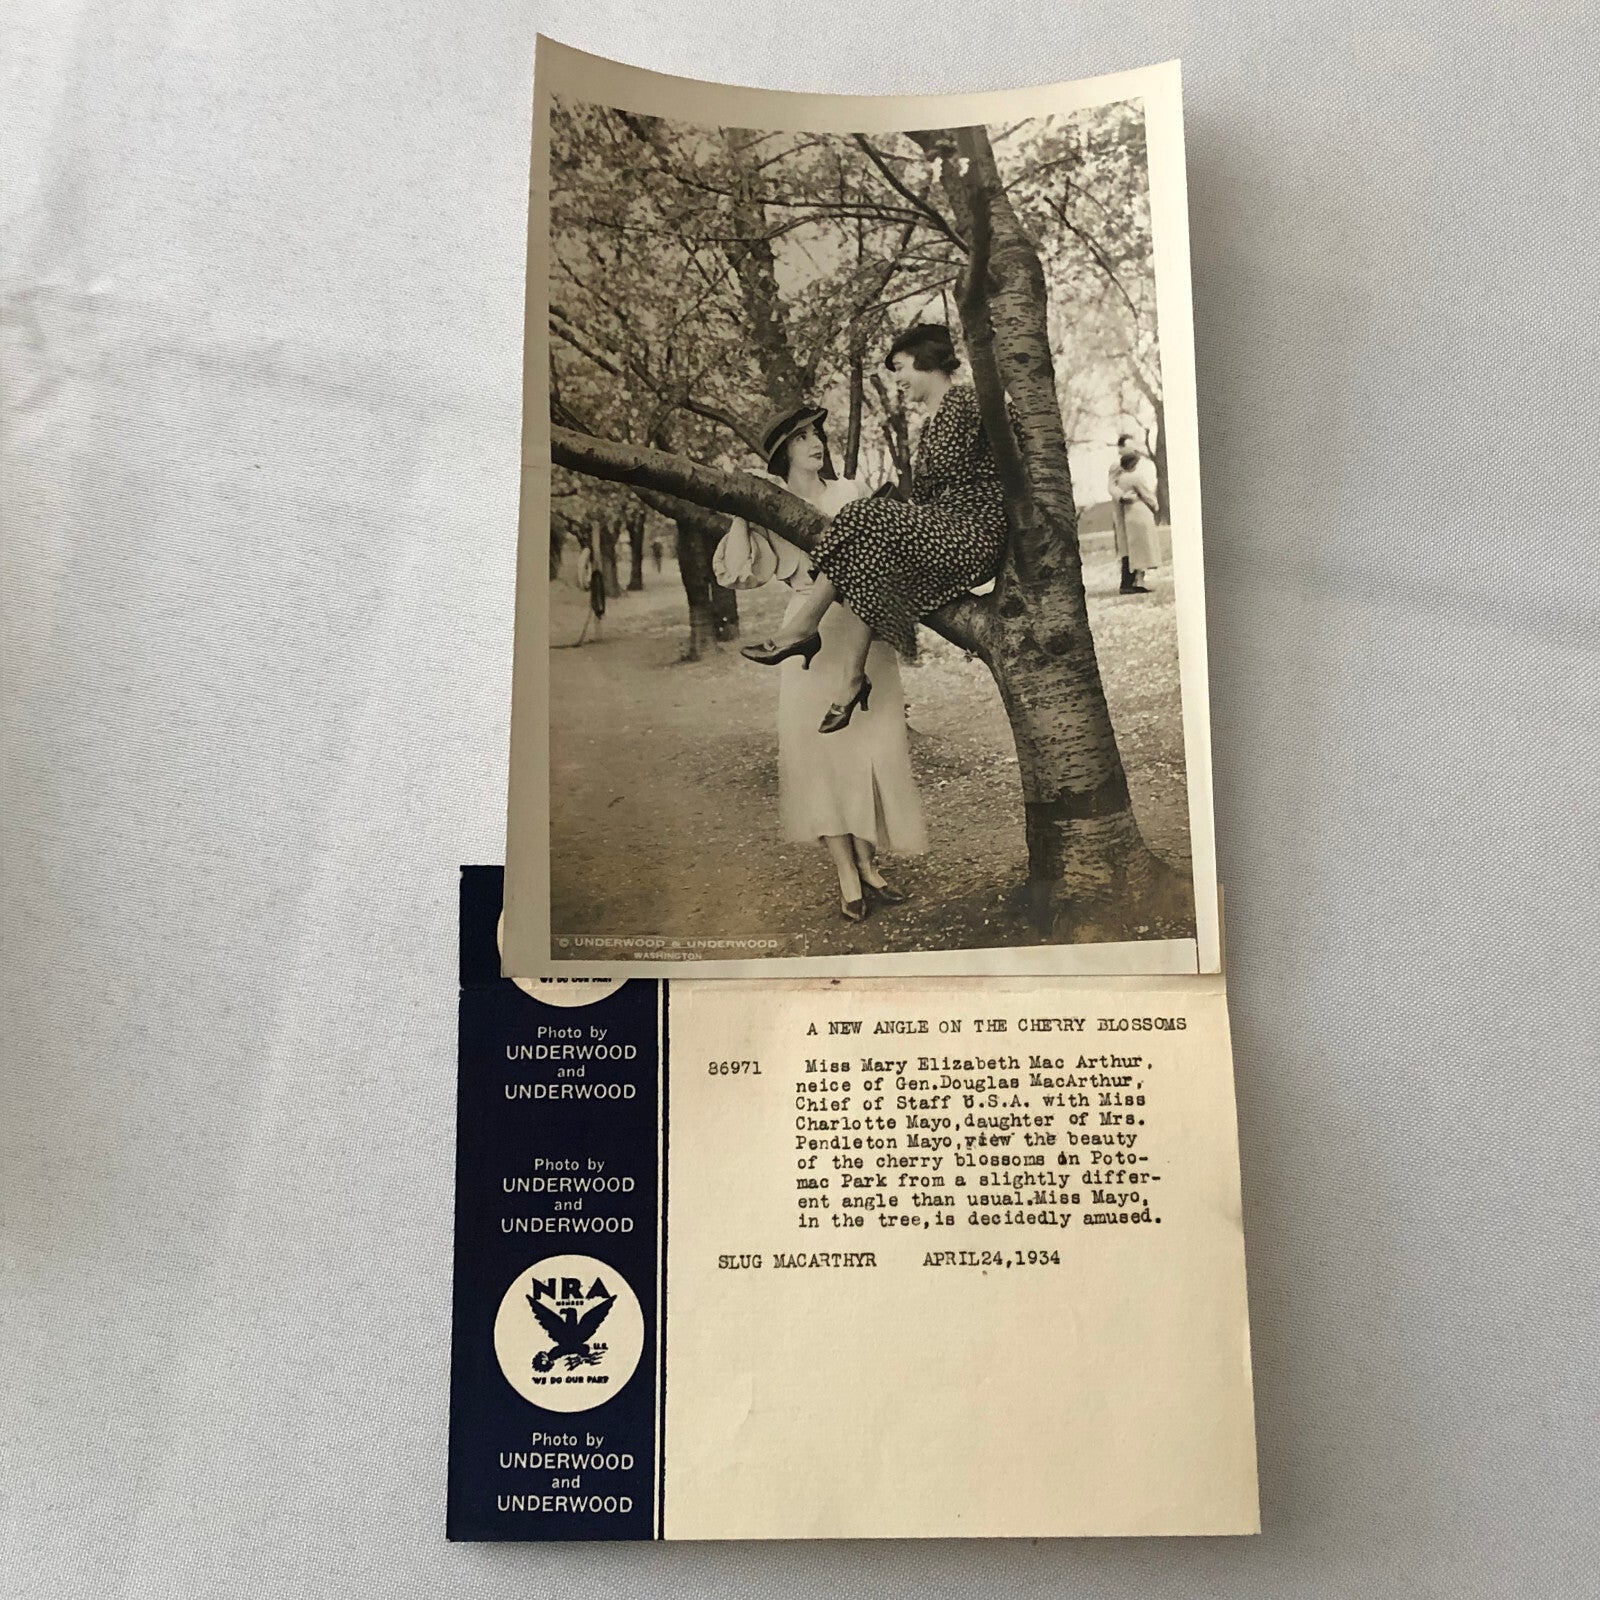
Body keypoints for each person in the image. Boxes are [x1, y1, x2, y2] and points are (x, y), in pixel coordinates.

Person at [739, 325, 1010, 731]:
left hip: (973, 534)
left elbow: (1017, 430)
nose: (897, 380)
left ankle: (801, 630)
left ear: (926, 360)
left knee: (862, 512)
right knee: (868, 554)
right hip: (945, 533)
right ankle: (850, 682)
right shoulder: (930, 424)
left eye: (899, 368)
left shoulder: (968, 401)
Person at [715, 404, 926, 922]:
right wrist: (743, 507)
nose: (816, 443)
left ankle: (871, 865)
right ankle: (847, 876)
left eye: (817, 434)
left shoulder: (848, 493)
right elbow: (736, 573)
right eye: (803, 437)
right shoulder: (771, 504)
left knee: (873, 749)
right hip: (806, 633)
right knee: (820, 758)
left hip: (861, 630)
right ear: (783, 451)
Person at [1111, 450, 1160, 594]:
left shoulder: (1120, 479)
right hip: (1140, 511)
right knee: (1144, 547)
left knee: (1134, 548)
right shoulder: (1136, 477)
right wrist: (1154, 505)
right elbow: (1146, 494)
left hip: (1128, 514)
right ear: (1133, 464)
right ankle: (1139, 580)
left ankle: (1134, 581)